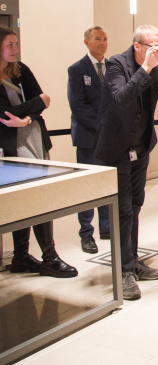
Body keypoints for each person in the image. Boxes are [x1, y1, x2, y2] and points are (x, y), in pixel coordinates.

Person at [95, 24, 158, 300]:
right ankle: (124, 271)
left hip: (141, 146)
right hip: (117, 147)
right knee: (122, 210)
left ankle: (130, 262)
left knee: (135, 204)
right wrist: (146, 68)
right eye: (155, 44)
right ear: (138, 46)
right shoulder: (117, 64)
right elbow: (120, 99)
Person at [0, 26, 77, 278]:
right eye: (10, 44)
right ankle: (35, 256)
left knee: (40, 196)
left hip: (34, 140)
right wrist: (36, 105)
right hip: (10, 147)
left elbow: (45, 100)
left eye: (15, 44)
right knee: (24, 200)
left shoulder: (21, 70)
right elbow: (5, 115)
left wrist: (26, 117)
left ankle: (36, 256)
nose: (15, 49)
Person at [67, 25, 109, 254]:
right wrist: (102, 126)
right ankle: (86, 233)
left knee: (107, 183)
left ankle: (106, 227)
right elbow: (78, 106)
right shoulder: (77, 70)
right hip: (88, 137)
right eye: (97, 39)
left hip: (109, 139)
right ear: (87, 42)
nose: (102, 43)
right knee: (87, 187)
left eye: (104, 39)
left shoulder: (112, 67)